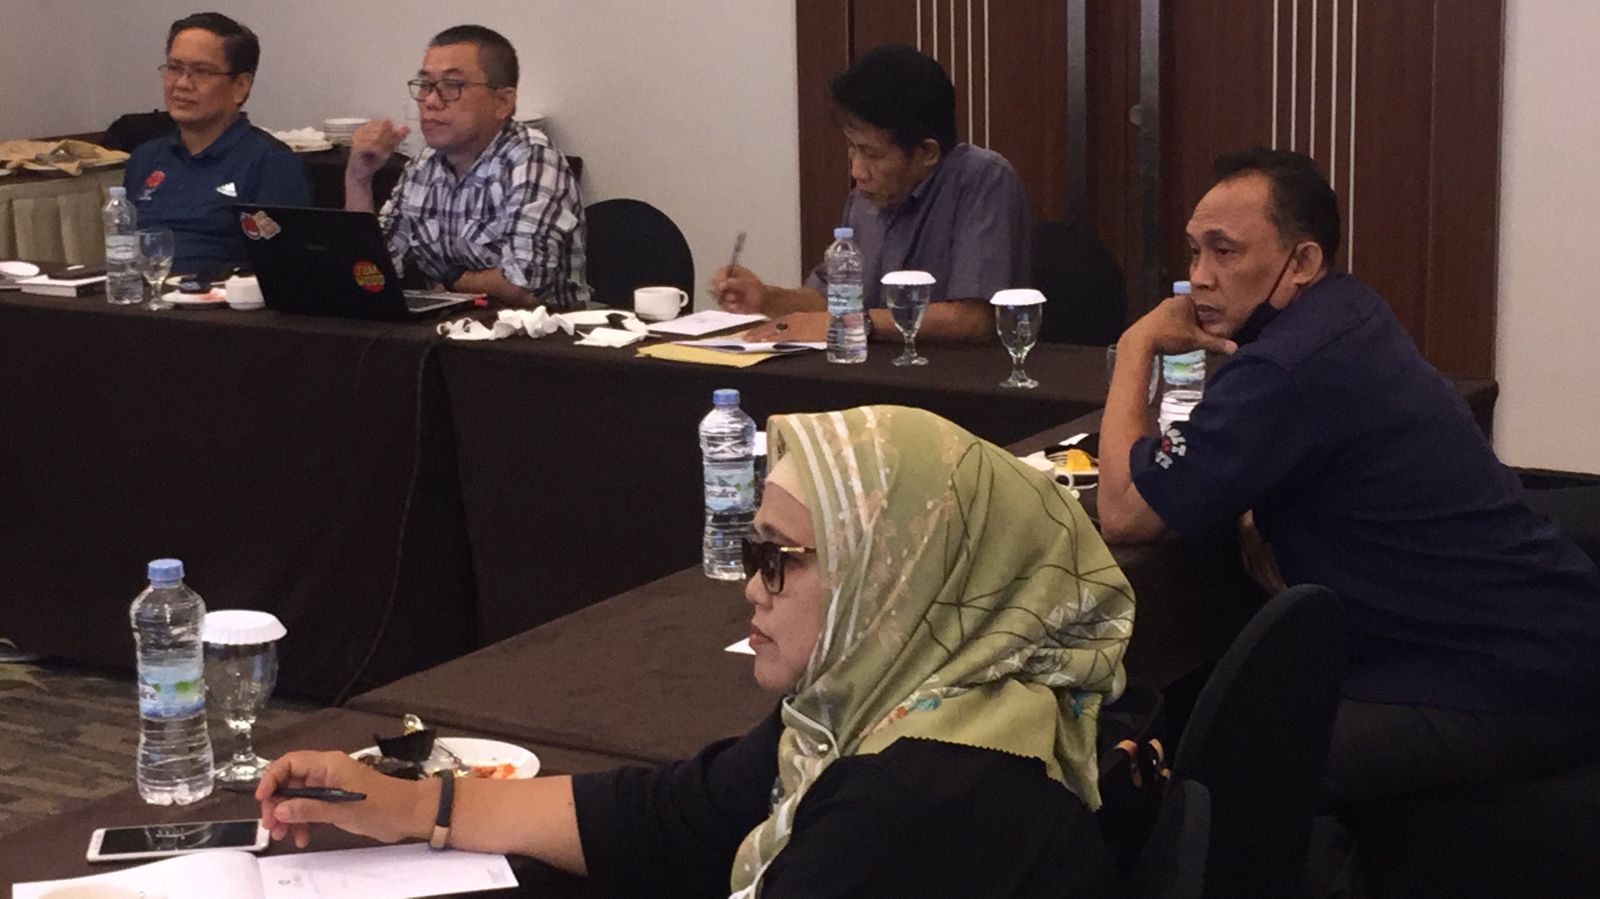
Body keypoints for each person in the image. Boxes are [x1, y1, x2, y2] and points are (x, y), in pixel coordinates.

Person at [259, 405, 1133, 897]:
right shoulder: (882, 711)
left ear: (897, 577)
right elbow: (675, 814)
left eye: (779, 558)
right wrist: (415, 804)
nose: (751, 587)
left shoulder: (918, 800)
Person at [1097, 147, 1600, 807]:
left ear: (1302, 261)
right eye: (1194, 253)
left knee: (1231, 765)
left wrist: (1136, 345)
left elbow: (1124, 510)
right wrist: (1253, 505)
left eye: (1225, 252)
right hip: (1546, 634)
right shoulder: (1347, 312)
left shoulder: (1283, 367)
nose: (1198, 279)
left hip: (1506, 680)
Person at [713, 44, 1031, 344]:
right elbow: (831, 300)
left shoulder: (983, 179)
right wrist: (767, 298)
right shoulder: (864, 200)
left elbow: (972, 320)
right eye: (852, 148)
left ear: (927, 152)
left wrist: (854, 322)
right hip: (871, 373)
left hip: (959, 378)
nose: (857, 171)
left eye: (871, 154)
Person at [345, 25, 587, 309]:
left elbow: (521, 286)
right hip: (447, 328)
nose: (430, 101)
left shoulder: (533, 160)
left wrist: (450, 281)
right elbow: (373, 272)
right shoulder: (423, 166)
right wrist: (358, 180)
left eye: (452, 85)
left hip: (534, 332)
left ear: (503, 102)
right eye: (425, 85)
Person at [123, 12, 310, 277]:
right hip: (143, 294)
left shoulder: (271, 162)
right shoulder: (145, 158)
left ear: (240, 86)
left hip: (222, 298)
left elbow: (285, 269)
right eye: (174, 68)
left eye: (201, 71)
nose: (181, 84)